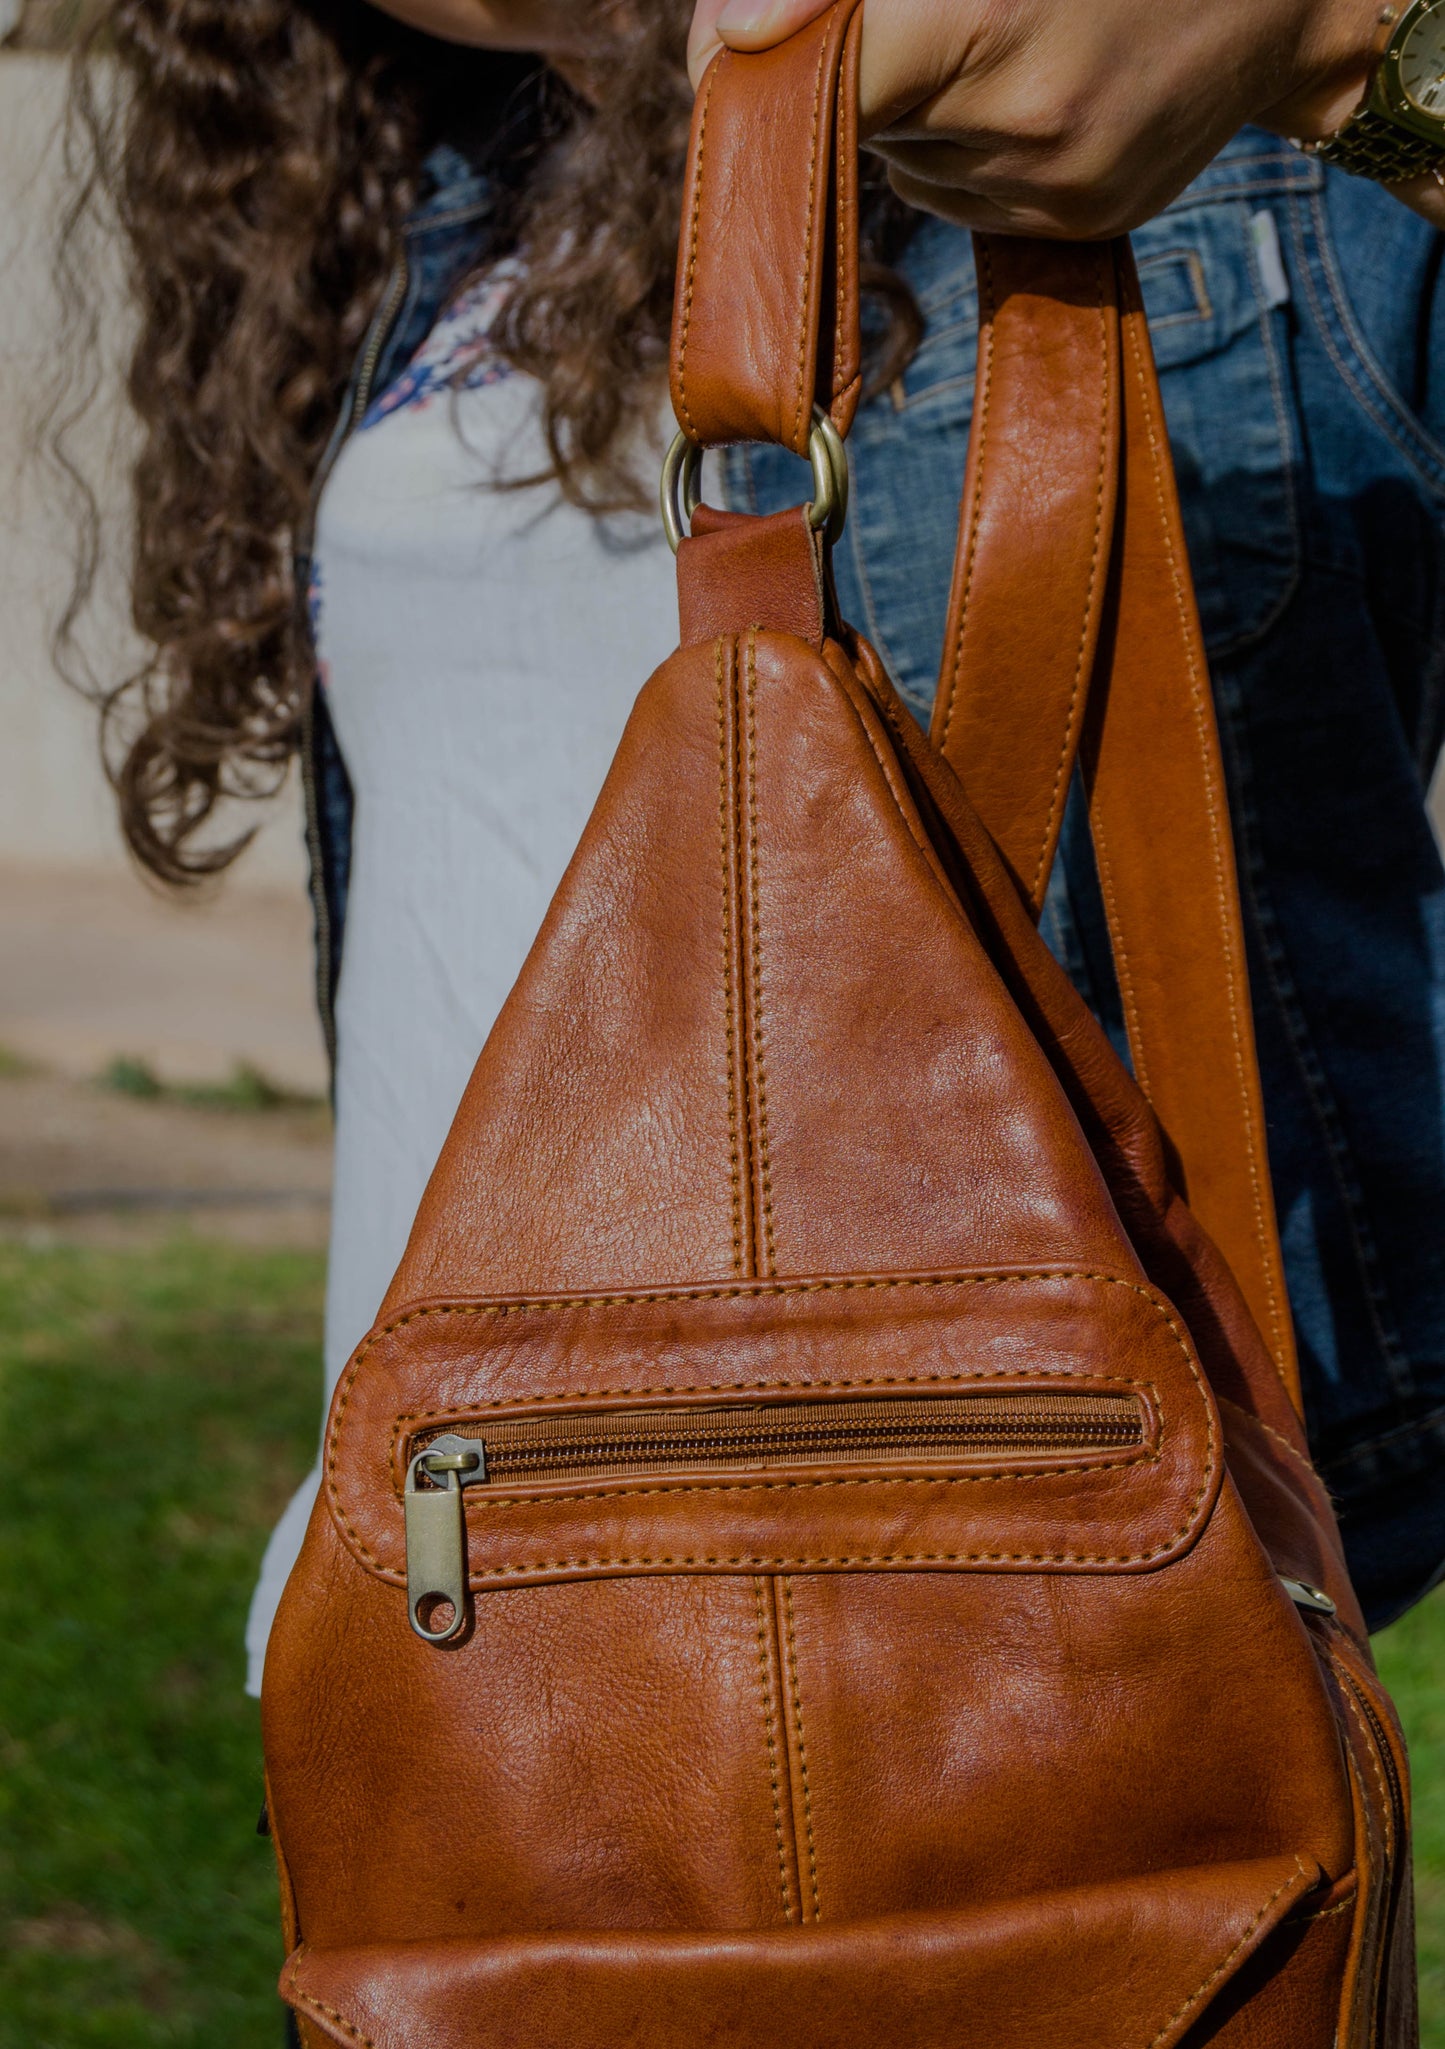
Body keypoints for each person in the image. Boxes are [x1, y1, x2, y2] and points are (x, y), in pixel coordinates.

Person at [66, 0, 1445, 1696]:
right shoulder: (398, 178)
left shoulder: (1176, 85)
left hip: (1022, 1654)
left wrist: (1327, 41)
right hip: (439, 1625)